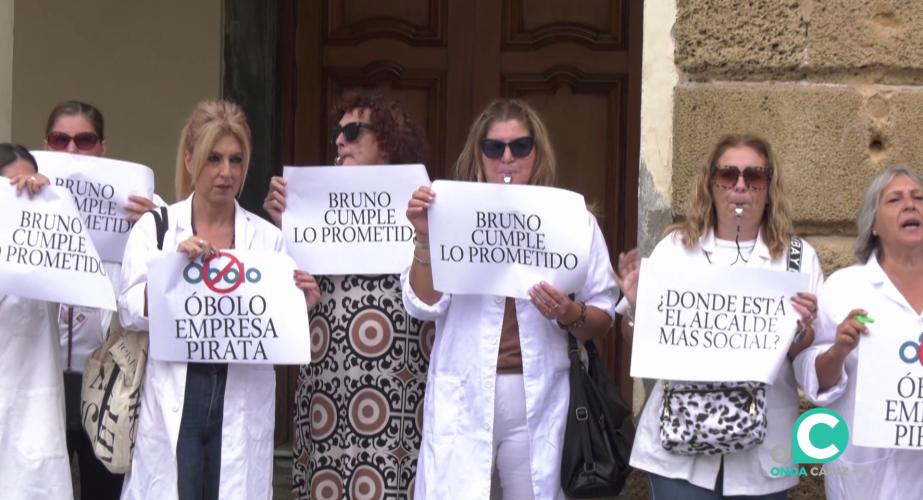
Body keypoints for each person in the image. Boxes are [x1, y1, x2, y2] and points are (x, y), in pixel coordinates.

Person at [403, 98, 618, 499]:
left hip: (540, 395)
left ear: (538, 153)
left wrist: (569, 313)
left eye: (520, 147)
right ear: (478, 154)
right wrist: (424, 236)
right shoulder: (447, 213)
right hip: (465, 391)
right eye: (494, 147)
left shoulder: (572, 218)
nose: (507, 158)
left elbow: (603, 314)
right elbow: (421, 304)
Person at [118, 100, 320, 499]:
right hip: (181, 392)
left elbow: (277, 334)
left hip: (238, 392)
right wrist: (173, 270)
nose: (226, 173)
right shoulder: (157, 229)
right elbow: (128, 311)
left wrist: (301, 308)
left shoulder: (267, 239)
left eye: (235, 160)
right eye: (214, 159)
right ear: (191, 159)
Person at [614, 134, 823, 499]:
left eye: (754, 176)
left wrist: (802, 331)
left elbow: (806, 358)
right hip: (679, 449)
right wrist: (637, 307)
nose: (740, 186)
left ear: (769, 187)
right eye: (728, 175)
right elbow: (640, 346)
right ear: (711, 184)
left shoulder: (797, 258)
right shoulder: (676, 250)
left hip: (763, 451)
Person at [263, 92, 429, 499]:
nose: (340, 141)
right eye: (338, 133)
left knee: (394, 481)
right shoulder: (314, 204)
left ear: (387, 142)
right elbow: (287, 299)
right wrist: (285, 226)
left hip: (399, 382)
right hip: (329, 377)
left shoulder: (420, 204)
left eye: (353, 132)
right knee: (328, 480)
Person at [44, 99, 161, 499]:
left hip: (108, 378)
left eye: (84, 139)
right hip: (46, 376)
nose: (72, 150)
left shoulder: (135, 207)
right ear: (46, 144)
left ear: (103, 146)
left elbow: (164, 267)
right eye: (61, 140)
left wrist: (153, 224)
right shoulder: (23, 201)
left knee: (103, 489)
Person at [794, 166, 923, 500]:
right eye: (895, 200)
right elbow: (811, 378)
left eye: (919, 198)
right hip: (866, 481)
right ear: (874, 225)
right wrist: (838, 350)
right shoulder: (845, 288)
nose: (911, 205)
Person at [0, 144, 73, 499]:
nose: (25, 194)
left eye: (32, 184)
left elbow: (84, 278)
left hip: (33, 411)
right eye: (14, 186)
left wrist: (51, 211)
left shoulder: (49, 241)